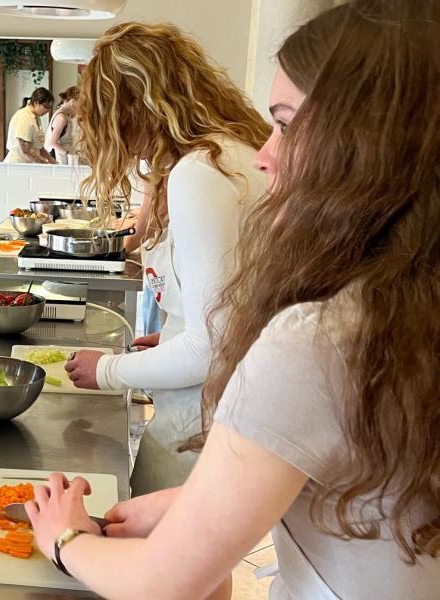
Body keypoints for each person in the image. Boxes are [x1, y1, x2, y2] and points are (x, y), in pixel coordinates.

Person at [26, 2, 440, 598]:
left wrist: (64, 538)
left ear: (363, 146)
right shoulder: (402, 304)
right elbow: (350, 485)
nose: (266, 158)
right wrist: (183, 504)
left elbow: (162, 582)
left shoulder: (317, 337)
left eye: (286, 125)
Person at [63, 22, 269, 495]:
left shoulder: (201, 172)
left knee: (156, 536)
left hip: (205, 417)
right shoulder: (228, 153)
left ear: (136, 104)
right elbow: (231, 308)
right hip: (235, 406)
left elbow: (209, 347)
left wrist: (106, 370)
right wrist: (175, 332)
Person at [3, 87, 56, 164]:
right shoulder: (24, 117)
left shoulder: (35, 117)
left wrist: (50, 159)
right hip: (18, 162)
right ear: (36, 103)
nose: (47, 111)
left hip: (29, 162)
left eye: (49, 108)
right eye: (46, 107)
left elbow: (38, 147)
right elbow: (25, 150)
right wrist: (44, 163)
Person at [46, 85, 80, 164]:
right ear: (72, 102)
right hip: (58, 160)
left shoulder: (65, 116)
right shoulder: (61, 118)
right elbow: (53, 143)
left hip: (63, 160)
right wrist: (70, 154)